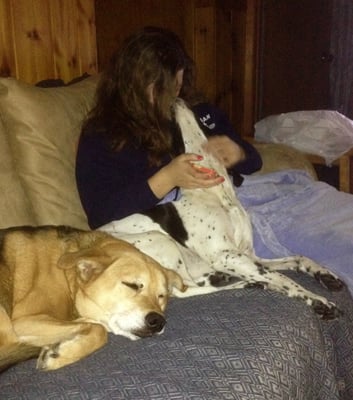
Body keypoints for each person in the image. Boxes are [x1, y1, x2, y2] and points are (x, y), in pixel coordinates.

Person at [75, 26, 262, 229]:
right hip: (188, 221)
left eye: (178, 86)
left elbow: (254, 162)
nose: (172, 96)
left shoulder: (197, 111)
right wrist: (167, 178)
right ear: (133, 84)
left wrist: (239, 153)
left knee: (299, 190)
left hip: (238, 197)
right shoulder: (103, 134)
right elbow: (101, 215)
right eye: (164, 89)